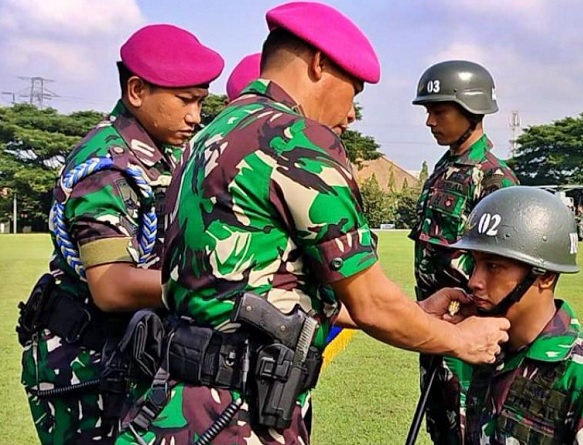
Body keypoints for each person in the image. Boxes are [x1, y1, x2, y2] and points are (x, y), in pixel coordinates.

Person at [116, 3, 510, 445]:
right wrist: (460, 341)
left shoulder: (212, 133)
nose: (352, 114)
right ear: (319, 65)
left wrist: (417, 315)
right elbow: (371, 303)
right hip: (241, 416)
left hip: (176, 405)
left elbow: (261, 287)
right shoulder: (299, 141)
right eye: (353, 92)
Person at [15, 24, 223, 445]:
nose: (195, 116)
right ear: (136, 90)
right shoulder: (108, 167)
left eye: (200, 101)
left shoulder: (164, 154)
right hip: (84, 370)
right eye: (185, 100)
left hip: (124, 356)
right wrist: (219, 286)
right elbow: (111, 284)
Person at [448, 186, 583, 444]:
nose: (474, 281)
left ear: (546, 275)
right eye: (474, 264)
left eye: (493, 266)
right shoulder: (485, 351)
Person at [409, 59, 519, 444]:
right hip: (434, 327)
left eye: (439, 111)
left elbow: (507, 270)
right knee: (440, 430)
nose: (430, 121)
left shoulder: (495, 180)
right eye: (427, 111)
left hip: (470, 337)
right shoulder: (443, 170)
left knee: (469, 433)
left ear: (471, 110)